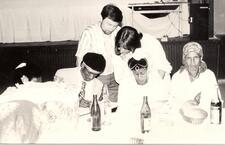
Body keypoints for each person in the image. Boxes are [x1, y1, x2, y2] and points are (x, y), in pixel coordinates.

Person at [76, 4, 123, 103]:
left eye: (115, 26)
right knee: (97, 105)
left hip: (116, 76)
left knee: (114, 106)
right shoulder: (89, 33)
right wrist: (82, 84)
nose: (111, 29)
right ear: (102, 18)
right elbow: (80, 58)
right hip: (97, 77)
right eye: (109, 24)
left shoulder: (118, 31)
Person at [115, 53, 172, 133]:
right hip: (132, 121)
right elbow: (122, 108)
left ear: (147, 71)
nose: (139, 77)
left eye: (142, 73)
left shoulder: (156, 81)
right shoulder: (125, 84)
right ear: (132, 73)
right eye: (136, 74)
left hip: (154, 120)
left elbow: (165, 103)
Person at [171, 41, 222, 116]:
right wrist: (183, 106)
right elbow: (171, 103)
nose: (192, 63)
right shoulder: (177, 77)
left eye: (196, 57)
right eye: (189, 58)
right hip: (183, 118)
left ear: (201, 58)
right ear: (184, 60)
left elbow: (217, 102)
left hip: (205, 118)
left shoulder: (209, 75)